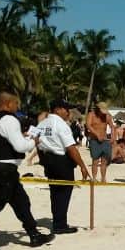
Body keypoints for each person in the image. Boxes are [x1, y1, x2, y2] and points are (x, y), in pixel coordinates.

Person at [0, 89, 54, 250]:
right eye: (16, 103)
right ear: (8, 104)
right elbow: (20, 146)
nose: (17, 106)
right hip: (4, 169)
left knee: (21, 202)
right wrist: (33, 141)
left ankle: (33, 234)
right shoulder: (9, 119)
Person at [36, 98, 91, 234]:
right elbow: (71, 148)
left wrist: (42, 157)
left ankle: (57, 221)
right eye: (67, 110)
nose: (68, 113)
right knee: (64, 192)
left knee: (54, 192)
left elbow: (35, 141)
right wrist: (83, 166)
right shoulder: (60, 124)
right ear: (58, 109)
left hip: (48, 160)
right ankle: (60, 224)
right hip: (61, 161)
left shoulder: (42, 124)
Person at [85, 101, 115, 181]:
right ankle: (94, 178)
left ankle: (103, 178)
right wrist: (97, 134)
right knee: (95, 160)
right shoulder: (91, 115)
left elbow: (112, 126)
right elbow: (88, 125)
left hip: (105, 140)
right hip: (94, 140)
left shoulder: (107, 116)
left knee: (104, 161)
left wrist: (113, 136)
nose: (103, 114)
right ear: (98, 109)